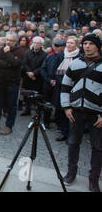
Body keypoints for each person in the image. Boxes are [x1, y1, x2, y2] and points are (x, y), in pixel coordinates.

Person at [60, 33, 102, 192]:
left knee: (98, 147)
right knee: (73, 143)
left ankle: (94, 179)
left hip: (96, 114)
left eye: (91, 43)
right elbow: (65, 87)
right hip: (75, 111)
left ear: (98, 46)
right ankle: (71, 172)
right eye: (85, 43)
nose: (87, 46)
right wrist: (66, 107)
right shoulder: (75, 64)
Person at [0, 33, 24, 135]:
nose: (8, 42)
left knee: (11, 105)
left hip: (12, 82)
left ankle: (9, 126)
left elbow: (16, 64)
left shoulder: (20, 51)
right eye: (7, 40)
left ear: (16, 42)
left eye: (11, 40)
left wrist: (8, 54)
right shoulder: (0, 50)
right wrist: (7, 64)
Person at [53, 36, 80, 141]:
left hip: (73, 88)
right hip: (60, 87)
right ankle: (63, 131)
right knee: (62, 110)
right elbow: (55, 70)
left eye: (72, 43)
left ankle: (71, 134)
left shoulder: (79, 57)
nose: (69, 45)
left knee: (72, 112)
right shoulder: (61, 55)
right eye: (68, 43)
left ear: (76, 45)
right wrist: (63, 83)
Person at [20, 36, 47, 117]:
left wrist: (34, 73)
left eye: (38, 43)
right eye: (35, 43)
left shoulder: (44, 54)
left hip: (37, 78)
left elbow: (42, 66)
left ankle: (37, 111)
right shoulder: (27, 52)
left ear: (41, 45)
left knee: (37, 95)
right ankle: (27, 109)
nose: (36, 44)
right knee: (27, 94)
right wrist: (29, 73)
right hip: (28, 76)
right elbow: (25, 63)